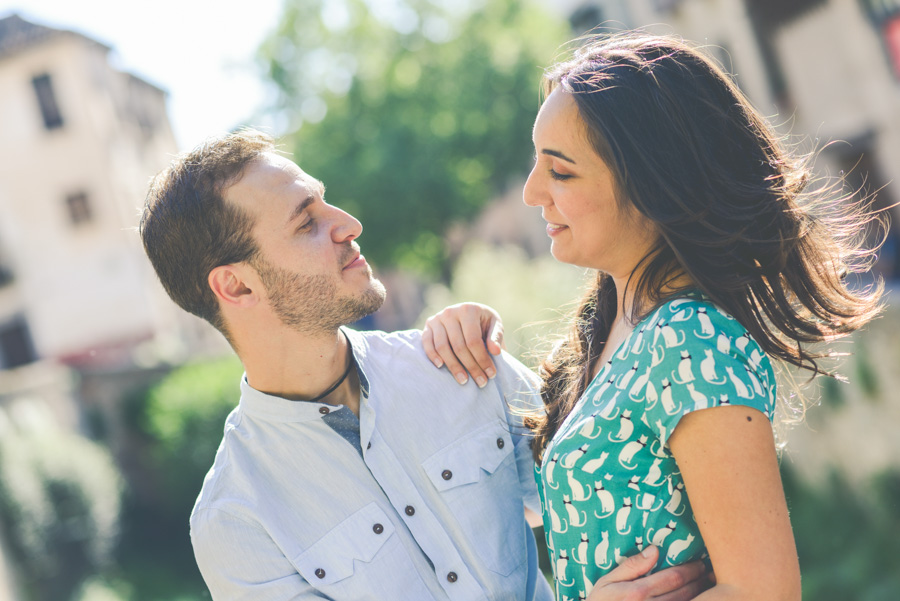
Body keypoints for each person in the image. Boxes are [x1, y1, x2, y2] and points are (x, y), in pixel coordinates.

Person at [138, 128, 712, 600]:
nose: (348, 225)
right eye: (306, 222)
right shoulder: (236, 523)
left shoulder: (457, 363)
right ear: (235, 286)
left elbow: (614, 499)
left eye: (325, 200)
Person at [423, 33, 884, 601]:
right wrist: (458, 329)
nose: (530, 192)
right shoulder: (611, 331)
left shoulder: (690, 339)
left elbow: (764, 592)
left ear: (650, 182)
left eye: (561, 172)